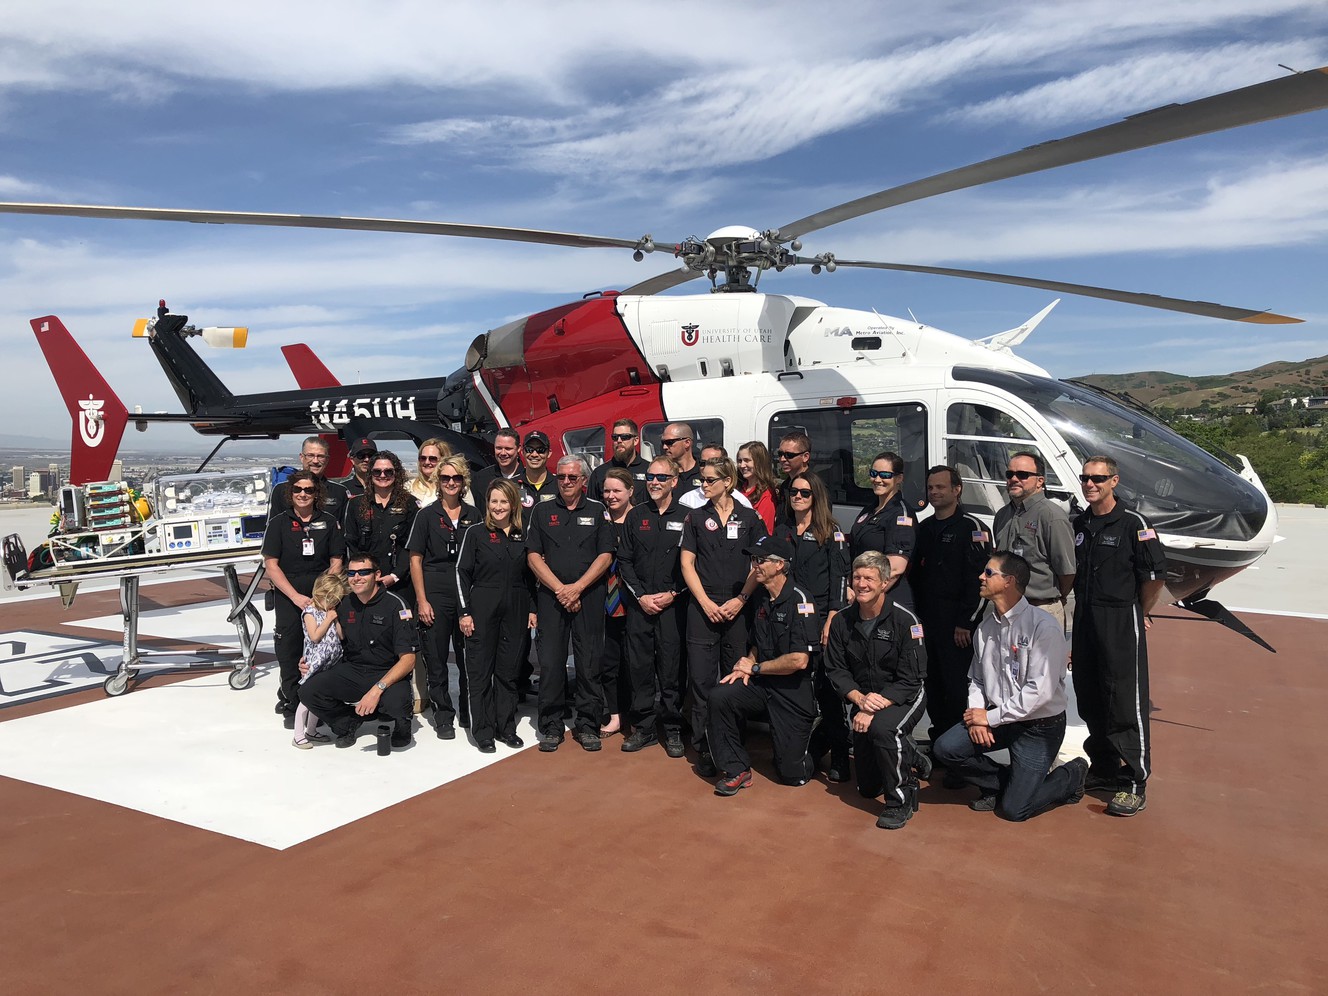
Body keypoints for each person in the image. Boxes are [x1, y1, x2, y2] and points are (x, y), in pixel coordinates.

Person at [933, 551, 1090, 821]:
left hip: (1039, 728)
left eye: (989, 572)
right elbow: (977, 679)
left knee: (1015, 811)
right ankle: (1005, 785)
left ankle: (1072, 774)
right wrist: (977, 717)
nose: (981, 577)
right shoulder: (985, 627)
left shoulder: (1043, 628)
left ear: (1009, 581)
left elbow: (1039, 692)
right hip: (999, 720)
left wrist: (989, 716)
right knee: (945, 749)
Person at [1071, 455, 1167, 817]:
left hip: (1119, 616)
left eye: (1098, 478)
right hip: (1086, 617)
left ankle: (1133, 779)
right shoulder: (1080, 522)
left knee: (1124, 699)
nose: (1090, 484)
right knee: (1090, 693)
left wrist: (1138, 613)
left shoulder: (1134, 524)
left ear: (1115, 481)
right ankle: (1105, 768)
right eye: (1085, 478)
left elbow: (1154, 575)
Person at [707, 534, 819, 796]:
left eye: (760, 560)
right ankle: (736, 769)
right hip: (763, 684)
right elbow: (759, 641)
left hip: (792, 691)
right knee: (720, 696)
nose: (754, 565)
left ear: (780, 565)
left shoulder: (801, 601)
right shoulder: (761, 597)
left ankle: (817, 736)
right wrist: (748, 661)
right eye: (753, 560)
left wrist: (756, 668)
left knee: (792, 775)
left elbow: (799, 660)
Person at [823, 551, 928, 830]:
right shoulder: (841, 621)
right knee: (868, 788)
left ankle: (900, 801)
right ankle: (908, 754)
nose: (861, 583)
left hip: (904, 695)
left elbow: (912, 678)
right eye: (856, 577)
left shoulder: (907, 621)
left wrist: (872, 708)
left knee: (884, 730)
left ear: (884, 583)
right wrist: (860, 700)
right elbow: (836, 669)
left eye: (869, 578)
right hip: (864, 697)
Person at [680, 456, 766, 776]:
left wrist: (742, 599)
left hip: (737, 610)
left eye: (709, 480)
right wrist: (703, 602)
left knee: (735, 679)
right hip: (703, 609)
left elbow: (761, 562)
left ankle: (733, 744)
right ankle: (705, 748)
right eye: (702, 480)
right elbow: (687, 563)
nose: (703, 485)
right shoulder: (696, 518)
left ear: (727, 482)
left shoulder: (749, 518)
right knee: (702, 682)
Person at [526, 455, 615, 752]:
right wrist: (560, 589)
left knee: (589, 663)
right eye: (561, 477)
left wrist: (577, 588)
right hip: (551, 598)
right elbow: (533, 556)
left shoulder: (599, 510)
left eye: (572, 478)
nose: (565, 482)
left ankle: (588, 725)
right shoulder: (542, 511)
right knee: (551, 663)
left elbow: (606, 555)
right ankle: (551, 725)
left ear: (584, 482)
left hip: (588, 596)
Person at [774, 470, 851, 780]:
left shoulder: (831, 532)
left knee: (828, 691)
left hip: (820, 619)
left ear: (816, 497)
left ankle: (841, 757)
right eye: (794, 492)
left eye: (805, 493)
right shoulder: (782, 531)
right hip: (789, 620)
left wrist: (833, 616)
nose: (798, 497)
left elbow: (840, 580)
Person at [298, 553, 418, 751]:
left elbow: (408, 661)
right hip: (354, 670)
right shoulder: (343, 604)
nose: (356, 577)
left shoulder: (396, 605)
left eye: (363, 572)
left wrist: (376, 690)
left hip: (387, 672)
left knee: (396, 704)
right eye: (351, 573)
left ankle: (403, 725)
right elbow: (324, 640)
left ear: (377, 575)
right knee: (308, 691)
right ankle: (348, 723)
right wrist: (306, 662)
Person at [910, 465, 992, 747]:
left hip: (957, 626)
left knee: (958, 688)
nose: (934, 492)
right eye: (931, 487)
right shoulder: (924, 529)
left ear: (957, 490)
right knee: (932, 683)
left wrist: (965, 622)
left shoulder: (973, 528)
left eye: (940, 487)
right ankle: (940, 739)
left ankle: (960, 747)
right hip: (927, 622)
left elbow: (980, 582)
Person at [456, 479, 537, 753]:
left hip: (515, 607)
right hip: (482, 608)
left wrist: (532, 608)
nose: (498, 507)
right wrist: (465, 612)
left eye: (504, 501)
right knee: (480, 673)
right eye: (494, 501)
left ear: (513, 504)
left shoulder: (523, 534)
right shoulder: (476, 533)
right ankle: (483, 731)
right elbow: (461, 573)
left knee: (508, 672)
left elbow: (532, 576)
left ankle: (506, 728)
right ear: (487, 504)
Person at [261, 470, 346, 726]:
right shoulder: (278, 523)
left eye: (308, 490)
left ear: (315, 493)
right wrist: (295, 596)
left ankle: (320, 704)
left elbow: (336, 561)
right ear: (291, 492)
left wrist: (323, 595)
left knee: (323, 650)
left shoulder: (329, 522)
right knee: (289, 649)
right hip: (290, 596)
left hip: (321, 596)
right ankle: (292, 702)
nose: (303, 494)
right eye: (298, 489)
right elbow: (271, 564)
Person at [618, 456, 689, 757]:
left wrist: (673, 594)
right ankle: (644, 727)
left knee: (672, 669)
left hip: (673, 606)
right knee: (640, 669)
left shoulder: (689, 517)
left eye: (662, 477)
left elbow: (693, 565)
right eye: (650, 477)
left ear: (674, 481)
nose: (655, 482)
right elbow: (624, 560)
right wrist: (641, 597)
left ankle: (673, 729)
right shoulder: (636, 517)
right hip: (640, 607)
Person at [407, 454, 480, 740]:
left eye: (457, 478)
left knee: (467, 658)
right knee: (435, 660)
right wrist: (422, 600)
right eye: (446, 478)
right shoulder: (426, 516)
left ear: (464, 482)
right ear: (438, 481)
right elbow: (415, 559)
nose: (451, 482)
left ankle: (466, 706)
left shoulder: (474, 516)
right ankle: (443, 715)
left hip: (466, 596)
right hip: (435, 594)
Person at [343, 451, 422, 708]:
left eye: (388, 472)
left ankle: (400, 699)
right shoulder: (356, 505)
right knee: (365, 641)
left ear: (396, 474)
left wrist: (394, 575)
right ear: (370, 474)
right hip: (366, 585)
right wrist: (366, 578)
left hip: (400, 585)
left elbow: (412, 546)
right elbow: (352, 544)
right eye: (377, 472)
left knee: (401, 644)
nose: (383, 476)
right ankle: (364, 694)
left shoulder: (409, 504)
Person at [992, 451, 1076, 629]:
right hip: (1005, 608)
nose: (1014, 479)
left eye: (1022, 475)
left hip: (1040, 609)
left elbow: (1067, 571)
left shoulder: (1052, 516)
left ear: (1040, 481)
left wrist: (1054, 598)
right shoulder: (1002, 515)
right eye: (1010, 474)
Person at [849, 450, 917, 611]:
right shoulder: (870, 509)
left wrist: (865, 596)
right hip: (866, 596)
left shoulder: (901, 514)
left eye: (885, 475)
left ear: (899, 478)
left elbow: (895, 568)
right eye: (874, 473)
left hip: (887, 600)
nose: (877, 479)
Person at [292, 571, 350, 748]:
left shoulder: (330, 613)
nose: (332, 604)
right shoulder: (310, 612)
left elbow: (340, 636)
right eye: (330, 600)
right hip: (316, 660)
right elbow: (315, 636)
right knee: (307, 699)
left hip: (331, 659)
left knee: (319, 695)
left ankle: (311, 730)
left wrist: (336, 620)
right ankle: (298, 734)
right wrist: (328, 619)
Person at [597, 468, 635, 736]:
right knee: (609, 660)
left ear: (630, 491)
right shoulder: (600, 519)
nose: (611, 496)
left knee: (634, 661)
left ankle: (636, 712)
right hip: (605, 599)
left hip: (634, 599)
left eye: (616, 490)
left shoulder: (641, 518)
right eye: (607, 491)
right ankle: (614, 714)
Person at [269, 436, 349, 521]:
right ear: (302, 457)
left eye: (320, 456)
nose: (315, 461)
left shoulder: (340, 492)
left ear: (327, 459)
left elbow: (345, 530)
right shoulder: (281, 490)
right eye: (310, 455)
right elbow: (272, 528)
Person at [589, 419, 650, 504]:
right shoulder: (599, 473)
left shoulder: (649, 470)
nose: (619, 441)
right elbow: (592, 508)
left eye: (625, 437)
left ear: (635, 440)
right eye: (615, 437)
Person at [678, 445, 753, 510]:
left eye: (713, 462)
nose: (706, 467)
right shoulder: (687, 500)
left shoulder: (741, 501)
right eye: (703, 463)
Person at [737, 440, 778, 533]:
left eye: (747, 460)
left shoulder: (767, 495)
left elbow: (764, 530)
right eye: (740, 461)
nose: (742, 465)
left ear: (759, 462)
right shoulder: (738, 489)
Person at [471, 428, 523, 500]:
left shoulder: (528, 478)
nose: (503, 453)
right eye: (499, 448)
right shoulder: (480, 479)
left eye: (508, 448)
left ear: (518, 448)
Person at [406, 438, 453, 508]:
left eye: (432, 458)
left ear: (443, 460)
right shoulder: (408, 487)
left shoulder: (456, 485)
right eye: (423, 458)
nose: (427, 462)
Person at [516, 430, 557, 509]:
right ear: (522, 452)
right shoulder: (512, 485)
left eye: (540, 450)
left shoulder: (559, 485)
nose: (534, 454)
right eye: (529, 449)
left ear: (549, 453)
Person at [773, 430, 812, 505]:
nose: (782, 459)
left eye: (789, 455)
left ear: (805, 457)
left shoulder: (815, 486)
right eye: (780, 454)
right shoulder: (785, 485)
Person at [659, 422, 700, 491]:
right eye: (663, 442)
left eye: (669, 442)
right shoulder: (661, 474)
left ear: (687, 443)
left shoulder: (704, 471)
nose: (664, 447)